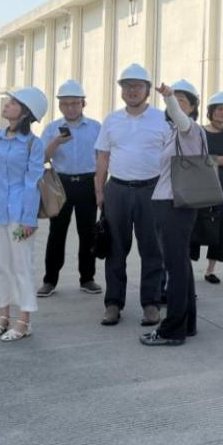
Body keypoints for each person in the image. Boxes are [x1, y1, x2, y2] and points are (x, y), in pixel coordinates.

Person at [94, 63, 166, 327]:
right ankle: (113, 304)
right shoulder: (111, 120)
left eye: (137, 86)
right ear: (121, 90)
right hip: (118, 190)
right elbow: (103, 157)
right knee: (115, 248)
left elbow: (172, 156)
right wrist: (99, 191)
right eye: (127, 86)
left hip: (152, 190)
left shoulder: (162, 118)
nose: (132, 91)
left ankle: (151, 304)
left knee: (152, 249)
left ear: (147, 89)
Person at [0, 87, 47, 342]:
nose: (7, 104)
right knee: (1, 266)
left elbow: (32, 182)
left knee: (22, 266)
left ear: (26, 112)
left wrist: (29, 219)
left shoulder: (34, 144)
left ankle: (24, 320)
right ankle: (3, 316)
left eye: (14, 102)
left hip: (19, 216)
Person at [140, 80, 206, 346]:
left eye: (182, 101)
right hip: (171, 203)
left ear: (192, 108)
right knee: (181, 266)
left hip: (174, 205)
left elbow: (179, 117)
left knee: (175, 268)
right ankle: (187, 324)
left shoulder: (189, 129)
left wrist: (168, 96)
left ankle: (172, 330)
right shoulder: (175, 133)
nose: (176, 105)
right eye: (174, 100)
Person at [37, 79, 102, 297]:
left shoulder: (96, 128)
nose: (70, 108)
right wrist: (56, 142)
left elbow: (103, 159)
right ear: (59, 105)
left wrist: (100, 188)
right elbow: (41, 158)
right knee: (56, 233)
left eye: (75, 103)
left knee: (88, 233)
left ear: (83, 103)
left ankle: (87, 278)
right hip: (61, 184)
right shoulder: (51, 128)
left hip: (88, 183)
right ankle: (50, 280)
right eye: (65, 104)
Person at [189, 91, 223, 283]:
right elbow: (193, 156)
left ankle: (210, 270)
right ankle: (187, 266)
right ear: (211, 111)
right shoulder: (198, 131)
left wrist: (205, 159)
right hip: (200, 182)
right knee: (194, 221)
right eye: (219, 109)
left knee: (220, 224)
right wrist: (207, 160)